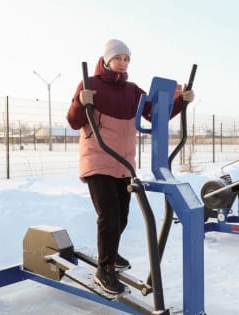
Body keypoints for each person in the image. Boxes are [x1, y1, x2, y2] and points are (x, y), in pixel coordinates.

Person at [66, 38, 195, 294]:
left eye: (126, 59)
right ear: (106, 59)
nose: (123, 63)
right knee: (109, 215)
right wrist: (81, 101)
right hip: (98, 158)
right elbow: (73, 121)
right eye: (118, 58)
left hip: (124, 163)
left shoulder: (133, 91)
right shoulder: (90, 85)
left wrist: (183, 101)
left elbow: (156, 113)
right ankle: (105, 269)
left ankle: (111, 255)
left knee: (122, 217)